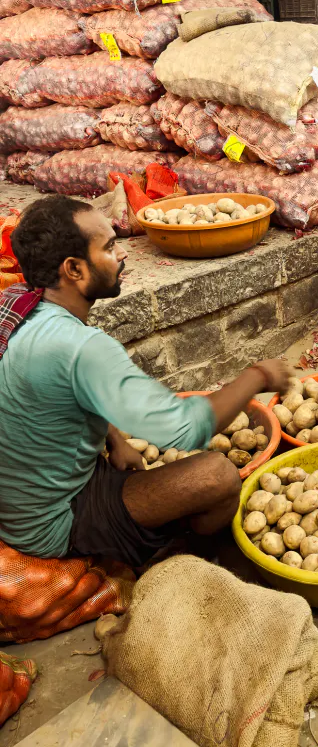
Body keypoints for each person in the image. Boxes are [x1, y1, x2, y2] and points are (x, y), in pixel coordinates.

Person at [0, 195, 291, 566]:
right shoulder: (81, 347)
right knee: (218, 476)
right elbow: (187, 429)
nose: (122, 255)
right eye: (108, 247)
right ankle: (182, 562)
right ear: (73, 269)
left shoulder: (22, 307)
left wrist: (115, 440)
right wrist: (259, 375)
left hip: (23, 495)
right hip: (52, 521)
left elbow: (66, 390)